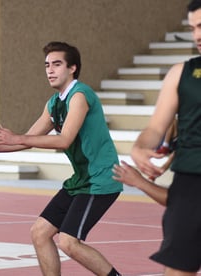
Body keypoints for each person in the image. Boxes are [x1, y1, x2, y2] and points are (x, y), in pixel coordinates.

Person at [0, 41, 122, 275]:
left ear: (73, 68)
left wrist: (16, 138)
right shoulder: (54, 104)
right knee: (39, 232)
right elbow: (27, 139)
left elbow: (64, 140)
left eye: (57, 64)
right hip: (82, 180)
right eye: (47, 65)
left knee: (68, 242)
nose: (50, 70)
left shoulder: (80, 96)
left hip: (101, 180)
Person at [129, 0, 201, 274]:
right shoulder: (181, 73)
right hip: (189, 187)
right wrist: (139, 148)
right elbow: (155, 129)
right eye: (193, 28)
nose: (197, 35)